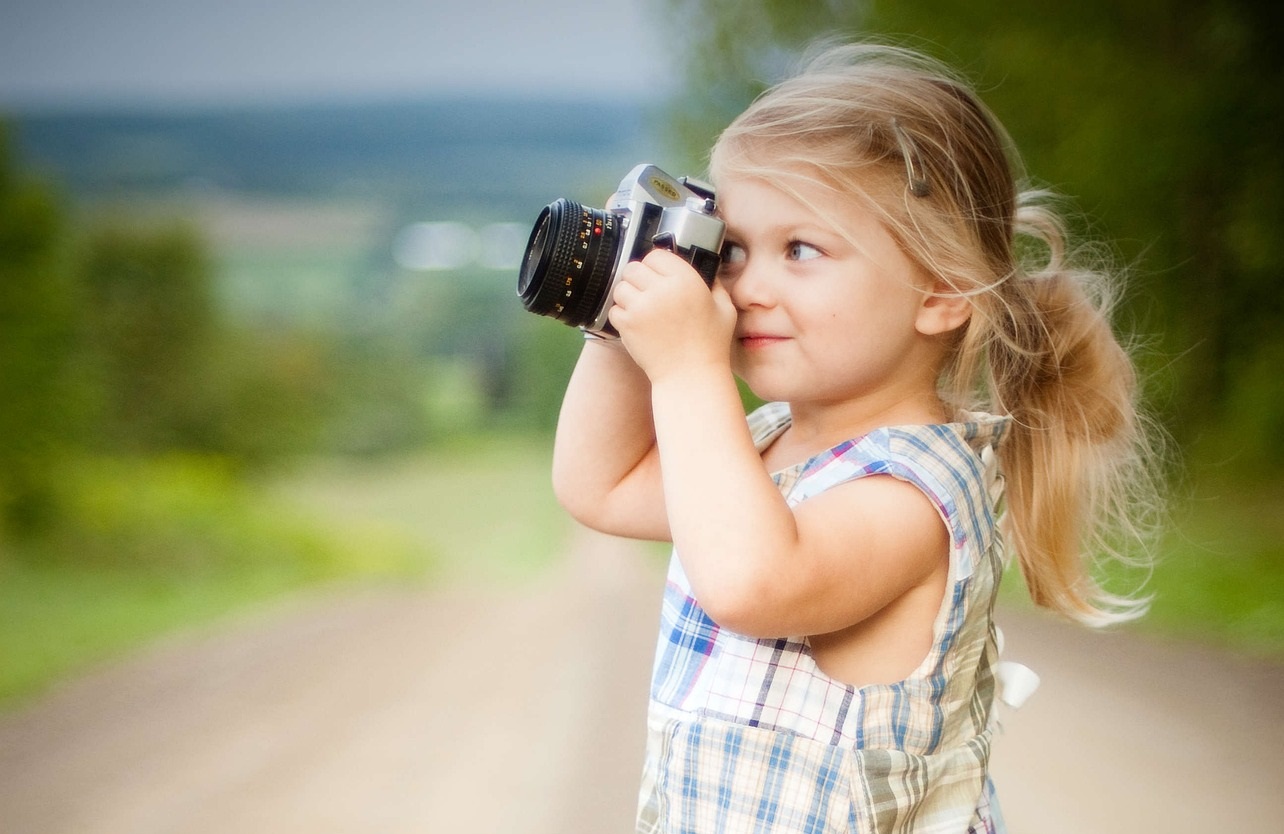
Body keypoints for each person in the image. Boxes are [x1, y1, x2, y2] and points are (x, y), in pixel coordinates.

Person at [551, 41, 1162, 833]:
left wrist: (688, 369)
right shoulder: (766, 443)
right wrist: (623, 315)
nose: (747, 286)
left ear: (940, 292)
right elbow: (600, 485)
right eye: (731, 249)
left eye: (800, 250)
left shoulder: (916, 493)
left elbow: (750, 585)